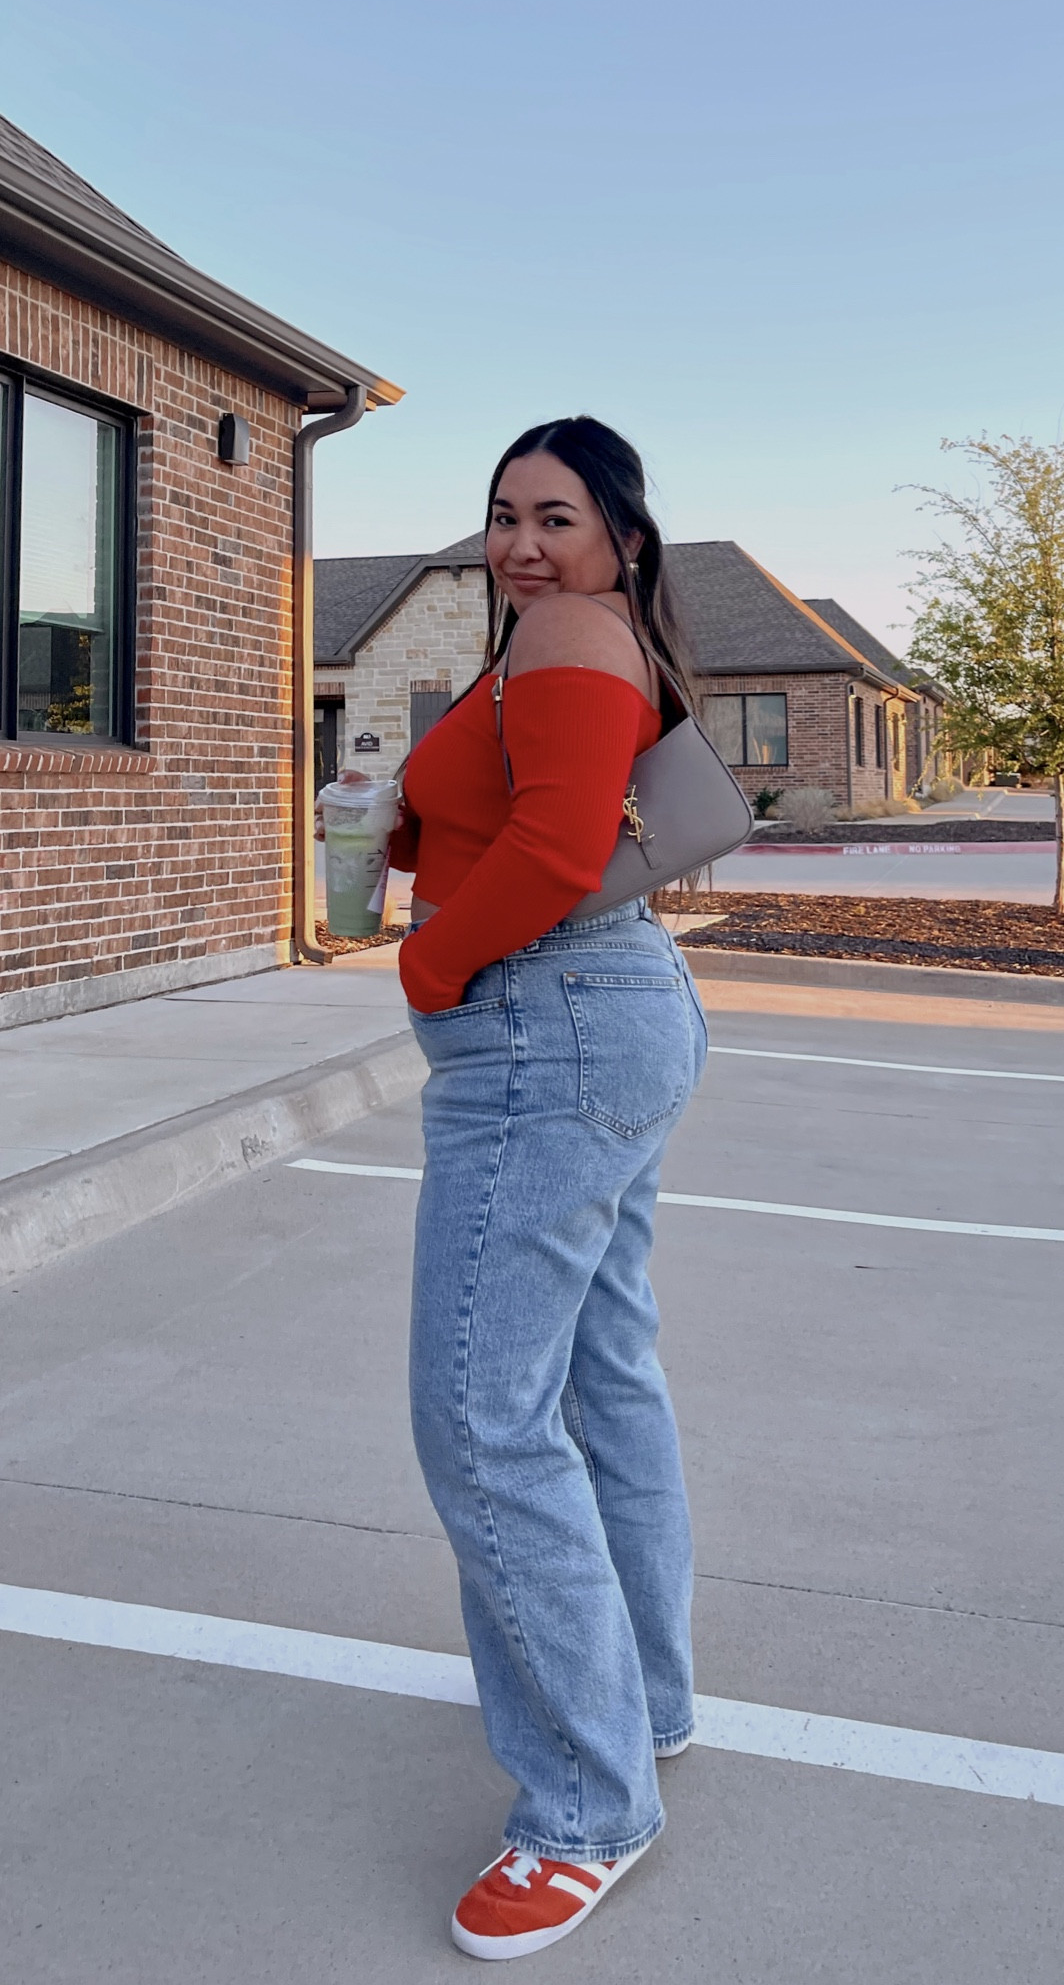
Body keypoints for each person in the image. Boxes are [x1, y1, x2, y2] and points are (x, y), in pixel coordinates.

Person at [387, 417, 709, 1961]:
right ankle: (642, 1705)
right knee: (600, 1382)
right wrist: (415, 829)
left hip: (542, 1019)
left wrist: (432, 957)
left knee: (479, 1412)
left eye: (558, 517)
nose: (523, 542)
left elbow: (570, 840)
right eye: (504, 514)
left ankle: (587, 1806)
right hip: (599, 1013)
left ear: (620, 541)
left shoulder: (575, 631)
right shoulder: (558, 637)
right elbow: (526, 811)